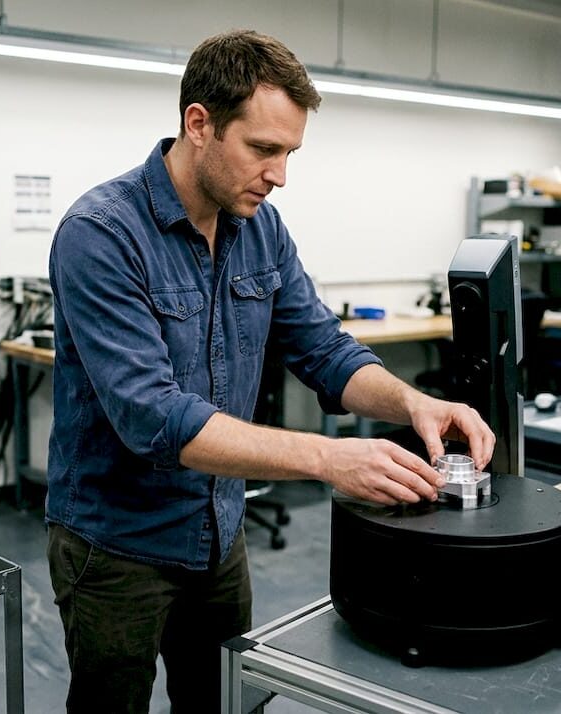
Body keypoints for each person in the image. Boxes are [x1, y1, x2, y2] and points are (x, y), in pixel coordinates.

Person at [45, 29, 495, 713]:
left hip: (217, 532)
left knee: (225, 703)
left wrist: (414, 404)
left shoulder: (261, 228)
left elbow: (324, 350)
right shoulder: (101, 234)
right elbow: (153, 418)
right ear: (200, 123)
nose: (279, 175)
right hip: (116, 545)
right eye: (263, 149)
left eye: (289, 153)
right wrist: (328, 458)